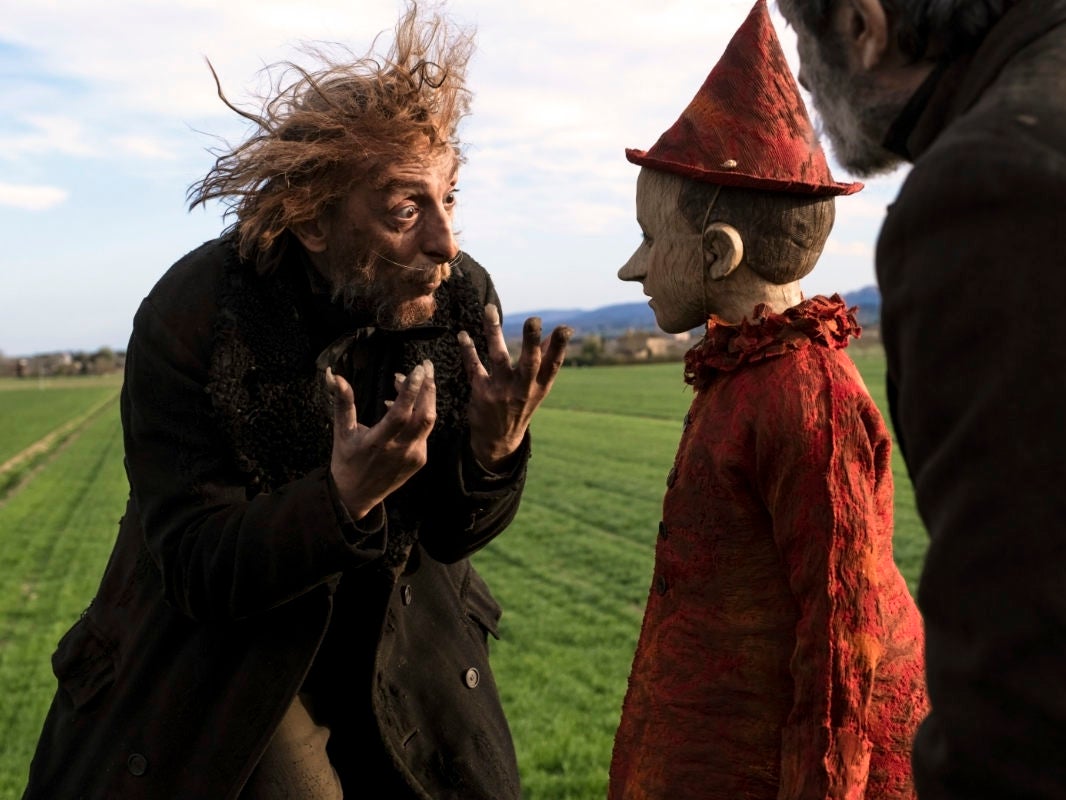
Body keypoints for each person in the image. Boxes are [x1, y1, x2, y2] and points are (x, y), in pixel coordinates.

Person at [21, 4, 571, 799]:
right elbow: (197, 567)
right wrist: (341, 501)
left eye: (450, 197)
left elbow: (454, 535)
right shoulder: (200, 314)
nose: (445, 242)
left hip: (402, 642)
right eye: (406, 207)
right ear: (313, 222)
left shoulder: (456, 295)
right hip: (230, 659)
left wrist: (492, 452)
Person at [607, 2, 927, 797]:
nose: (632, 268)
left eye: (652, 237)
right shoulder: (743, 376)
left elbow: (842, 652)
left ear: (719, 253)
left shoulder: (806, 398)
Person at [774, 0, 1066, 796]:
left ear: (863, 26)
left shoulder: (994, 187)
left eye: (800, 34)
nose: (801, 77)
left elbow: (1024, 698)